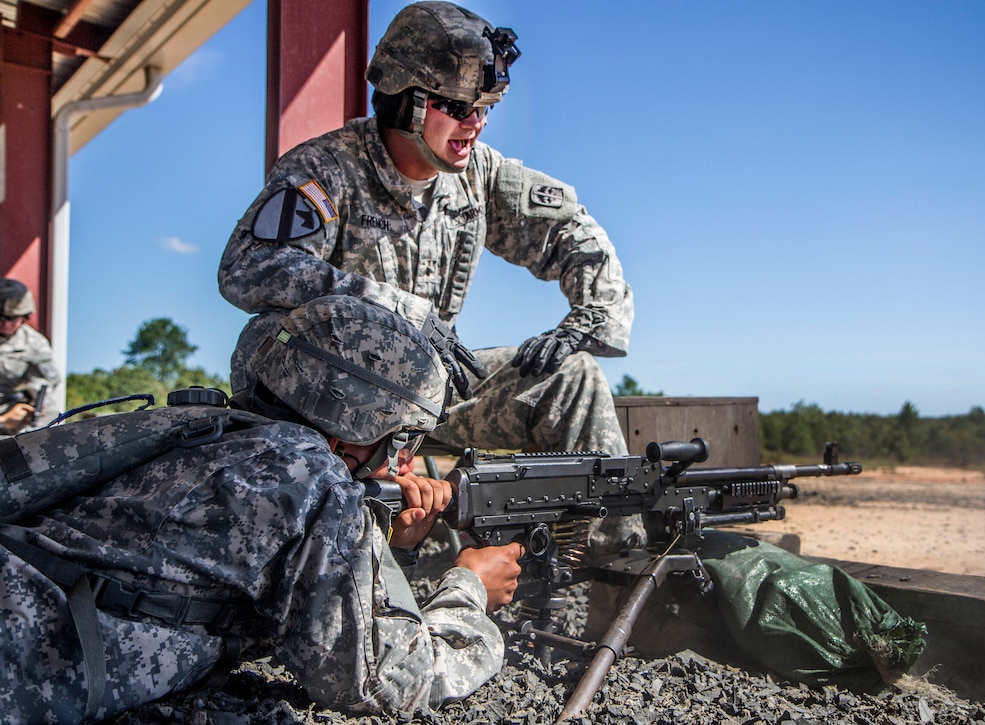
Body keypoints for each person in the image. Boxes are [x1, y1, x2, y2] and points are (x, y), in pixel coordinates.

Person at [0, 296, 524, 723]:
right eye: (403, 438)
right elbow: (379, 679)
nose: (405, 460)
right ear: (359, 421)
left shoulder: (207, 429)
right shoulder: (308, 473)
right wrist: (469, 588)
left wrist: (392, 553)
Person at [219, 0, 634, 458]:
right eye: (457, 106)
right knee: (269, 334)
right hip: (333, 402)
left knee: (571, 378)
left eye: (484, 107)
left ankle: (616, 532)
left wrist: (584, 324)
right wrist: (399, 309)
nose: (475, 123)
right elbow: (249, 267)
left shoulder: (481, 175)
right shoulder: (327, 168)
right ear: (405, 100)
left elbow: (575, 238)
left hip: (431, 393)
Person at [0, 278, 61, 434]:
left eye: (13, 318)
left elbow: (45, 381)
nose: (6, 325)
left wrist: (32, 406)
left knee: (50, 411)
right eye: (1, 317)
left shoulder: (34, 344)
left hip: (12, 406)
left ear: (24, 316)